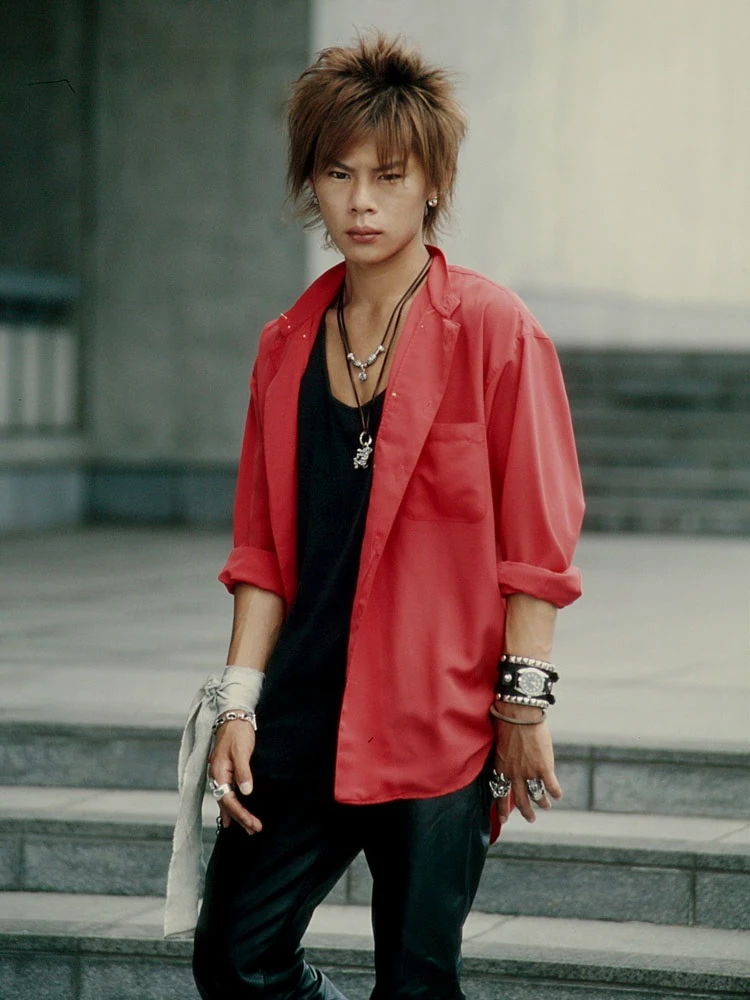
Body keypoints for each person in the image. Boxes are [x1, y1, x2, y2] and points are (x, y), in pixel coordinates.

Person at [186, 31, 584, 1000]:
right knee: (235, 960)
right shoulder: (285, 346)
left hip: (438, 720)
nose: (361, 202)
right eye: (338, 174)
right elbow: (260, 551)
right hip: (302, 717)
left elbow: (538, 541)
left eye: (389, 176)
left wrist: (522, 704)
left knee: (416, 984)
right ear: (310, 185)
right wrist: (238, 701)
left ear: (433, 184)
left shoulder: (493, 330)